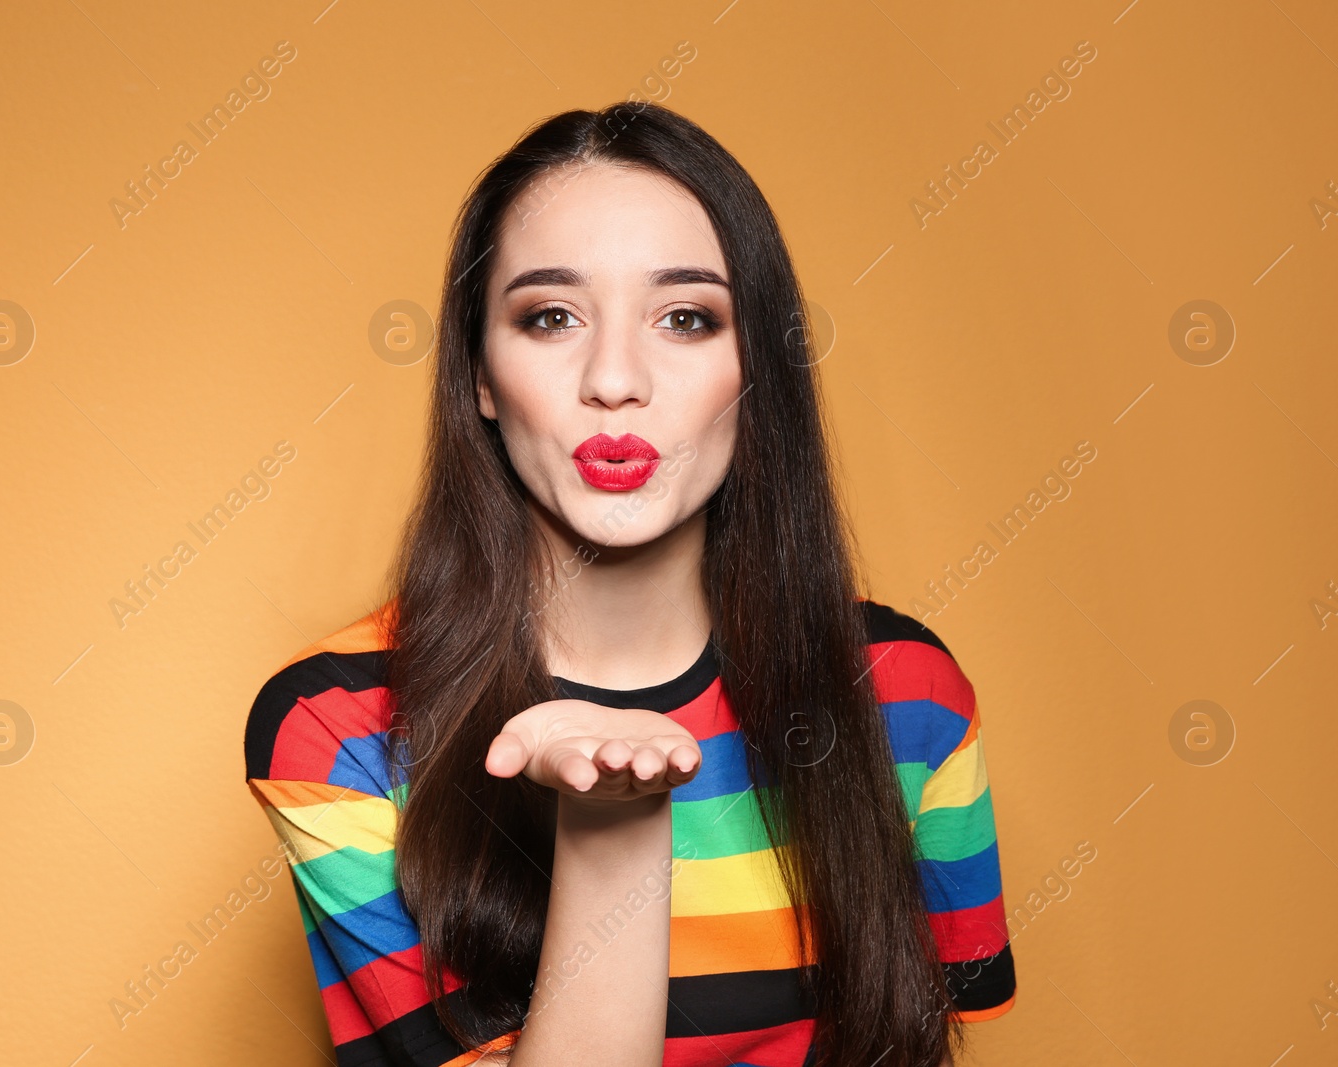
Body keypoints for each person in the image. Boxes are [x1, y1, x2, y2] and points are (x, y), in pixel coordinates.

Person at [244, 101, 1014, 1067]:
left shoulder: (906, 692)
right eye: (551, 316)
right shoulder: (337, 726)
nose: (614, 379)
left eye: (686, 317)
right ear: (481, 375)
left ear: (756, 371)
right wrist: (613, 824)